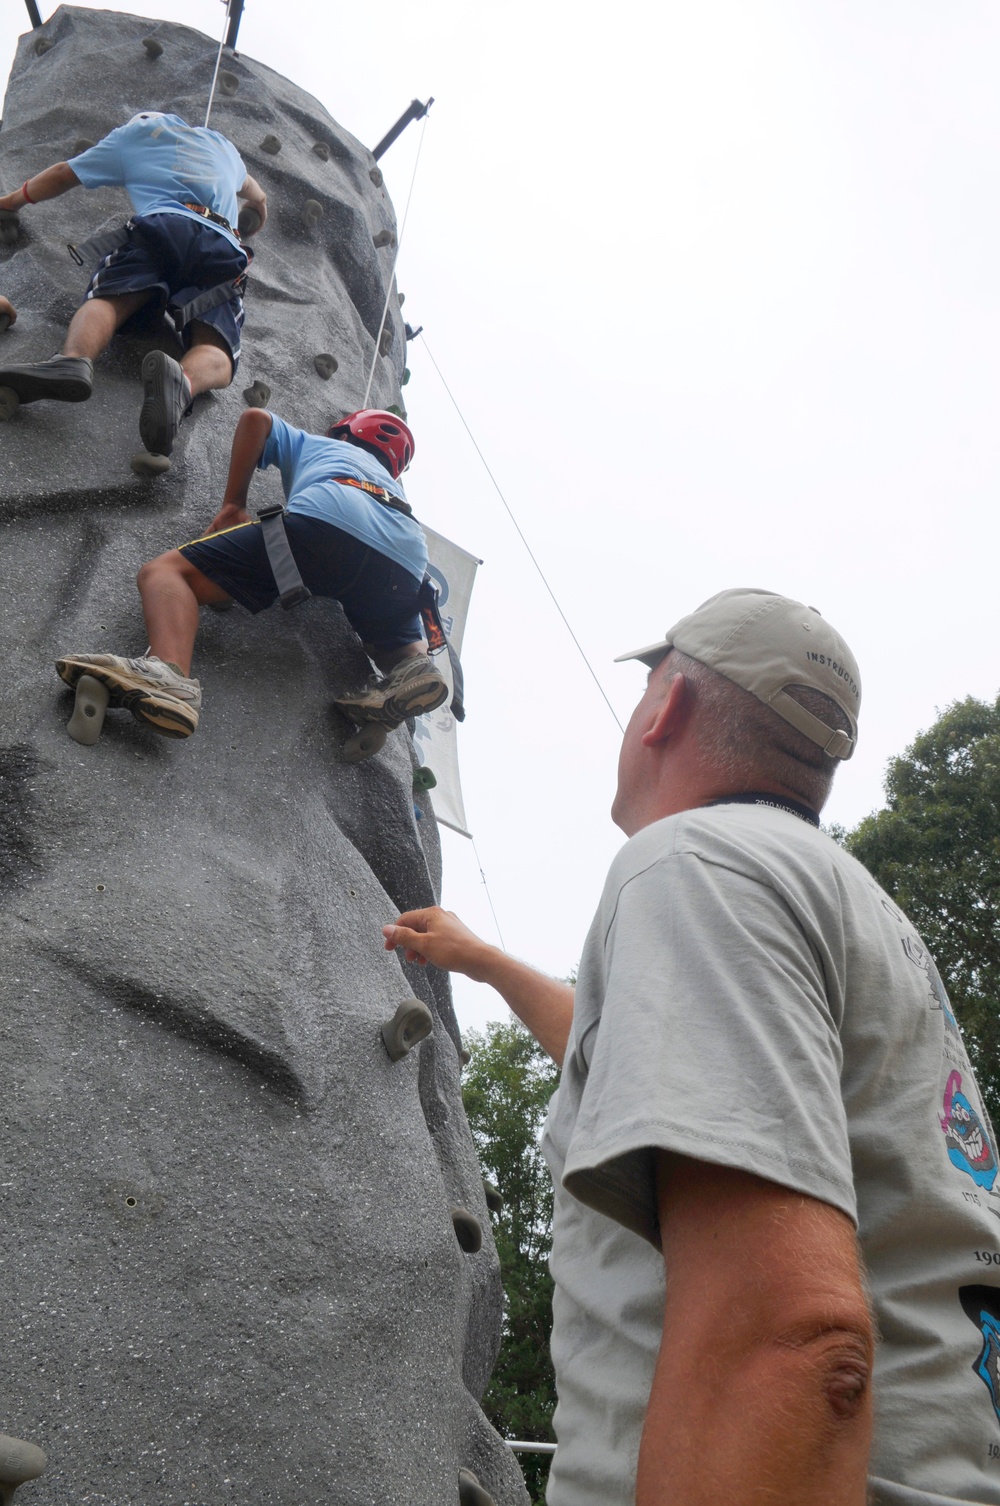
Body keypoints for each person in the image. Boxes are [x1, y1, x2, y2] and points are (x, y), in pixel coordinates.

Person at [382, 588, 1000, 1506]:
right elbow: (642, 1066)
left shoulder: (695, 866)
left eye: (645, 692)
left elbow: (791, 1339)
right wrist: (483, 962)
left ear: (665, 708)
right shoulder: (844, 902)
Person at [54, 406, 449, 746]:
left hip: (328, 521)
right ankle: (412, 669)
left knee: (168, 573)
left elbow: (256, 419)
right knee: (392, 629)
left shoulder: (327, 446)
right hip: (407, 556)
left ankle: (166, 675)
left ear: (344, 431)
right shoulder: (394, 488)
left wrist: (233, 504)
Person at [0, 111, 267, 457]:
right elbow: (257, 195)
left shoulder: (136, 134)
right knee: (218, 341)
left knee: (111, 296)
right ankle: (183, 383)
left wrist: (10, 202)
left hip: (162, 227)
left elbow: (64, 174)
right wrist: (256, 211)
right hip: (222, 244)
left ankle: (74, 359)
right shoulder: (224, 148)